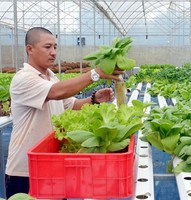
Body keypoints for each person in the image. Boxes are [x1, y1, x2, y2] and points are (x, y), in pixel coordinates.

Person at [5, 27, 123, 198]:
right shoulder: (23, 78)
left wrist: (94, 99)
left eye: (55, 47)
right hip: (25, 171)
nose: (53, 52)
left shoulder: (51, 77)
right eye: (47, 47)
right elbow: (56, 92)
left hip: (53, 167)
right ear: (30, 49)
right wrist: (95, 74)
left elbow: (71, 104)